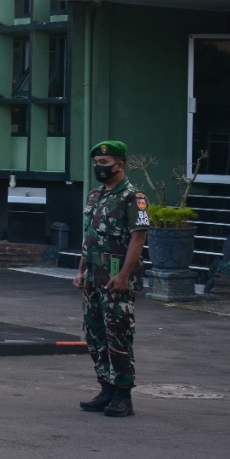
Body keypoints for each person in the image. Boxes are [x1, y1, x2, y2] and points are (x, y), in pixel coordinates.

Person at [75, 140, 148, 418]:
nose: (98, 167)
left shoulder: (133, 196)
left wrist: (124, 274)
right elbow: (88, 236)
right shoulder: (95, 195)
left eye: (104, 163)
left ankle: (122, 395)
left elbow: (138, 237)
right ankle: (105, 388)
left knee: (118, 334)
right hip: (93, 276)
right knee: (95, 334)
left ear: (120, 165)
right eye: (96, 163)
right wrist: (80, 270)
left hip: (116, 276)